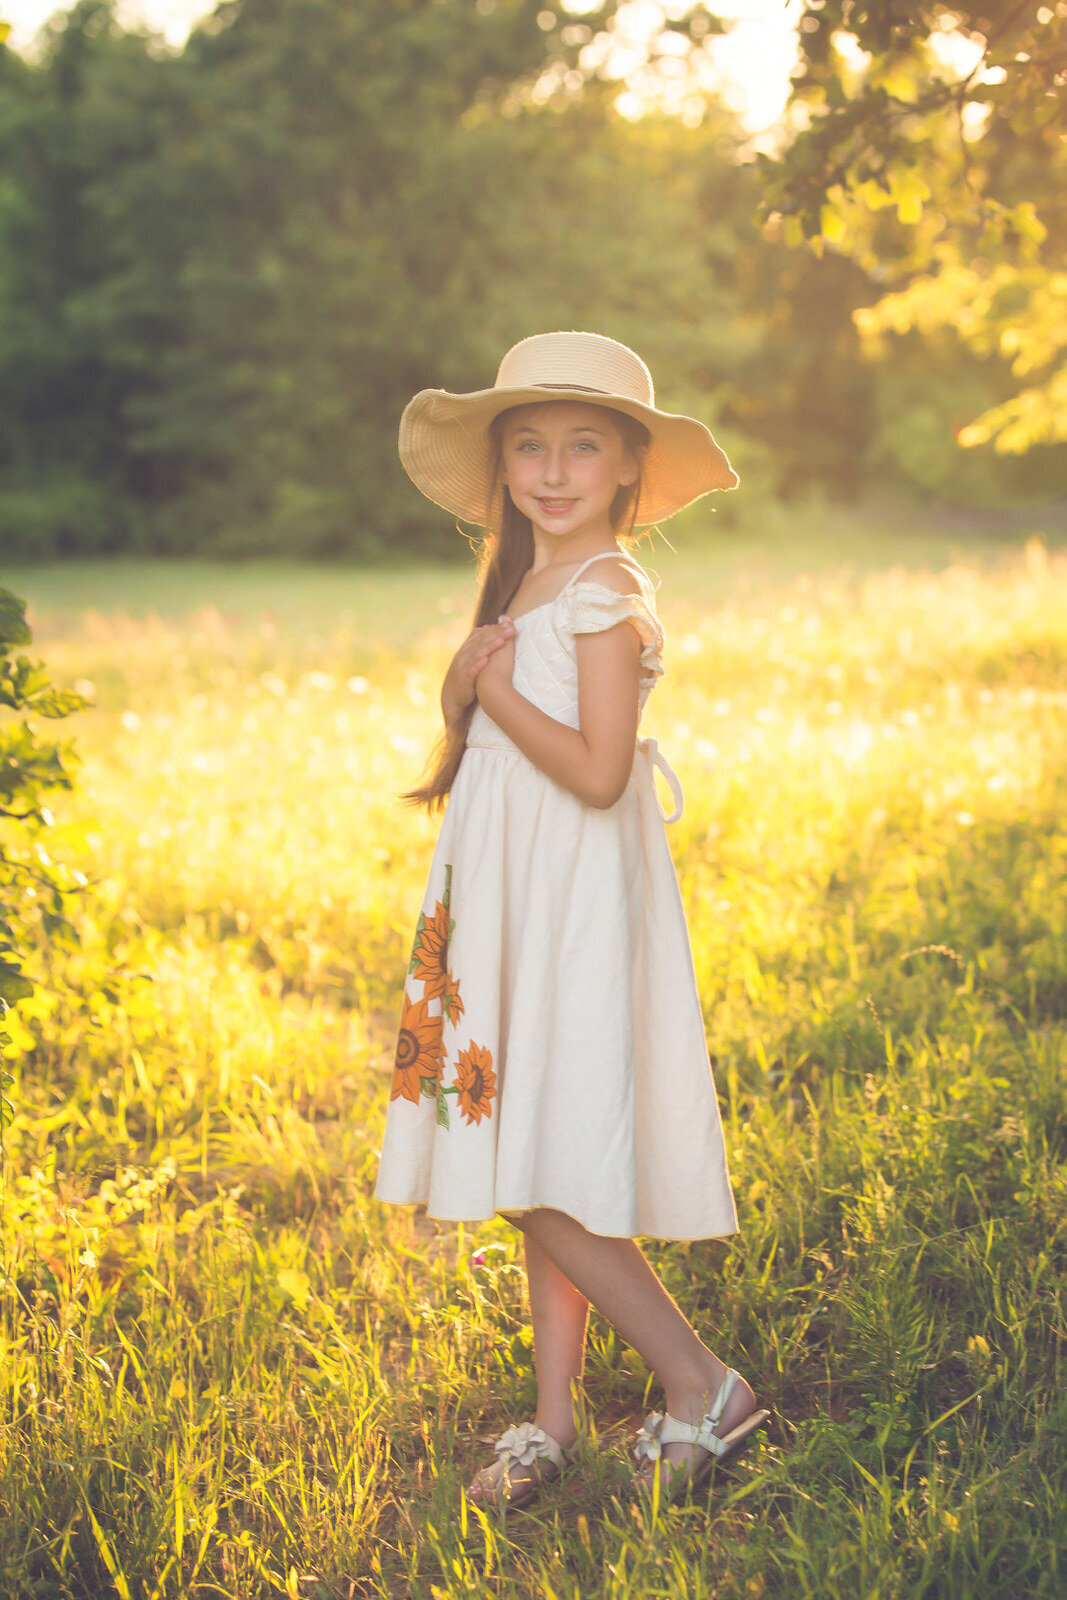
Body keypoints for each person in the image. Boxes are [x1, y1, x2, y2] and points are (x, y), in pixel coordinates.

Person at [373, 331, 770, 1509]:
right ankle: (552, 1416)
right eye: (529, 446)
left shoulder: (604, 590)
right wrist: (461, 688)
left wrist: (482, 685)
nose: (551, 469)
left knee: (524, 1162)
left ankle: (702, 1382)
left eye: (580, 446)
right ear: (500, 466)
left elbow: (598, 772)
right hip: (504, 888)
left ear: (626, 468)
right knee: (532, 1141)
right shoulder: (525, 584)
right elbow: (485, 741)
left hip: (568, 892)